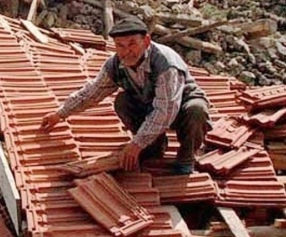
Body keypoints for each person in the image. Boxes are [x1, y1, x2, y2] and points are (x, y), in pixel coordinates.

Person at [37, 18, 210, 174]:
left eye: (132, 44)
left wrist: (135, 145)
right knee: (123, 101)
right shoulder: (115, 64)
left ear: (146, 41)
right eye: (120, 45)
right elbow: (92, 93)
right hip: (150, 106)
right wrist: (60, 114)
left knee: (196, 110)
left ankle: (186, 156)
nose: (126, 51)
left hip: (180, 109)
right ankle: (154, 146)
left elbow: (165, 111)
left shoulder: (165, 64)